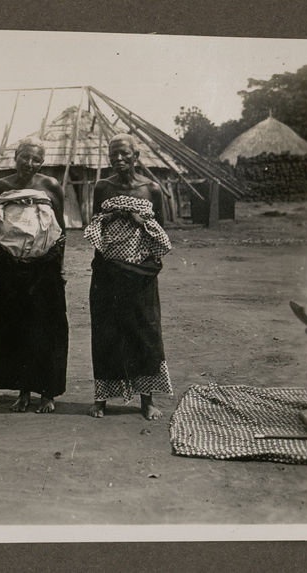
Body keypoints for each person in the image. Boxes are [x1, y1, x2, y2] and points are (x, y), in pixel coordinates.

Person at [85, 133, 173, 420]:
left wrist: (138, 220)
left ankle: (146, 400)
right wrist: (112, 218)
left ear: (137, 156)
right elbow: (96, 224)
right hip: (108, 273)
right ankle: (102, 398)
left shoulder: (152, 189)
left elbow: (159, 232)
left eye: (125, 154)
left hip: (141, 274)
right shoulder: (102, 187)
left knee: (144, 333)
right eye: (114, 154)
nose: (119, 159)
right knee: (106, 332)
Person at [0, 138, 68, 413]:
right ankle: (23, 392)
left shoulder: (50, 186)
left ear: (42, 162)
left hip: (45, 266)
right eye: (25, 158)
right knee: (17, 327)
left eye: (36, 160)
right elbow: (0, 227)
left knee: (47, 327)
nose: (30, 164)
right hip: (11, 266)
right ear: (16, 156)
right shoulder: (1, 187)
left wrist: (59, 267)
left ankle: (47, 392)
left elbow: (61, 230)